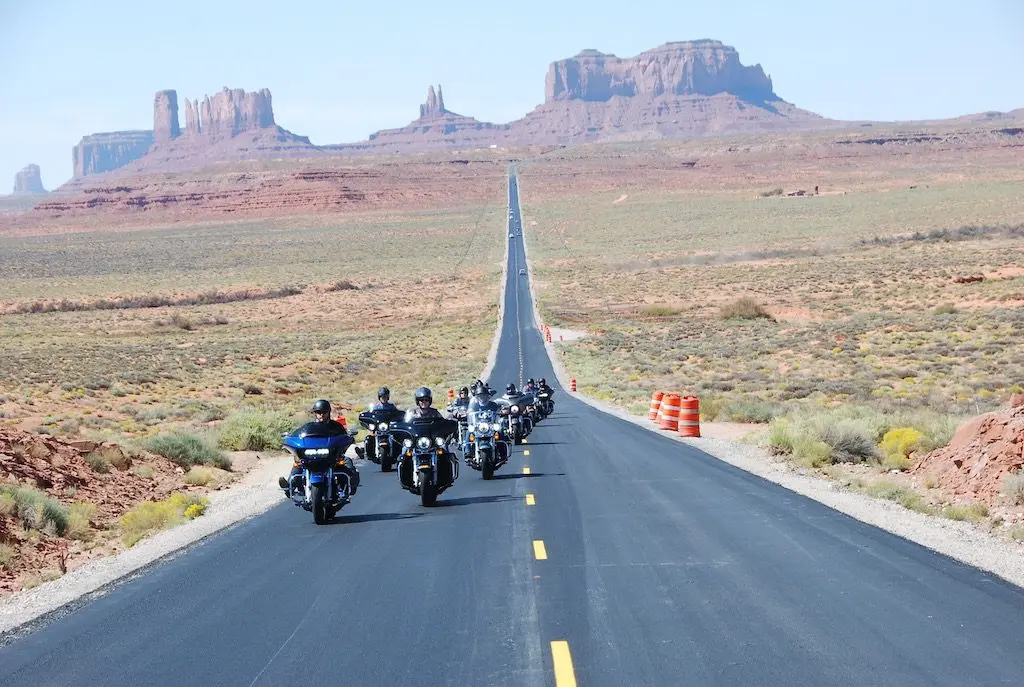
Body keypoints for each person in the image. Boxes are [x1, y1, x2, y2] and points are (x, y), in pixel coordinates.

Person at [279, 399, 360, 497]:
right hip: (312, 457)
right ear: (315, 413)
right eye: (318, 412)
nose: (321, 414)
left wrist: (348, 438)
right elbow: (298, 435)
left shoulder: (336, 427)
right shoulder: (309, 427)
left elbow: (344, 436)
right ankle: (289, 487)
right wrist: (289, 438)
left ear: (328, 412)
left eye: (324, 412)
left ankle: (351, 482)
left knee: (346, 461)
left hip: (331, 457)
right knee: (298, 463)